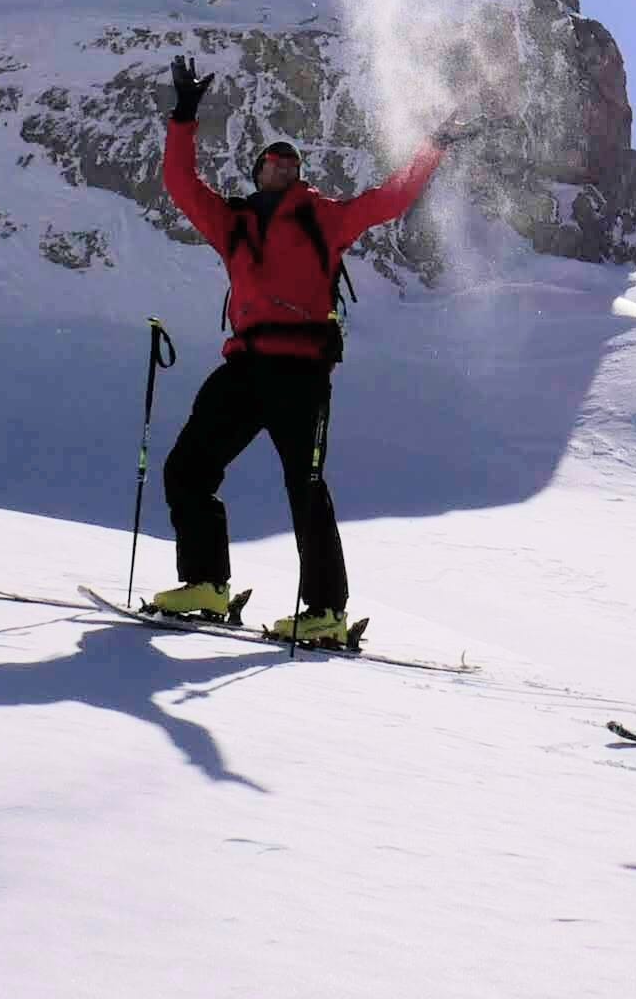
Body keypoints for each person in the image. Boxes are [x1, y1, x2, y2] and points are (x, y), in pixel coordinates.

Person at [147, 55, 451, 640]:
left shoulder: (323, 218)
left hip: (302, 371)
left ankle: (325, 612)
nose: (283, 165)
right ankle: (206, 583)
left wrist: (432, 146)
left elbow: (390, 200)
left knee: (305, 486)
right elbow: (182, 187)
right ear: (258, 169)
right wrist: (183, 115)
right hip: (245, 366)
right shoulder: (233, 221)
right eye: (273, 159)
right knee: (187, 469)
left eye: (291, 162)